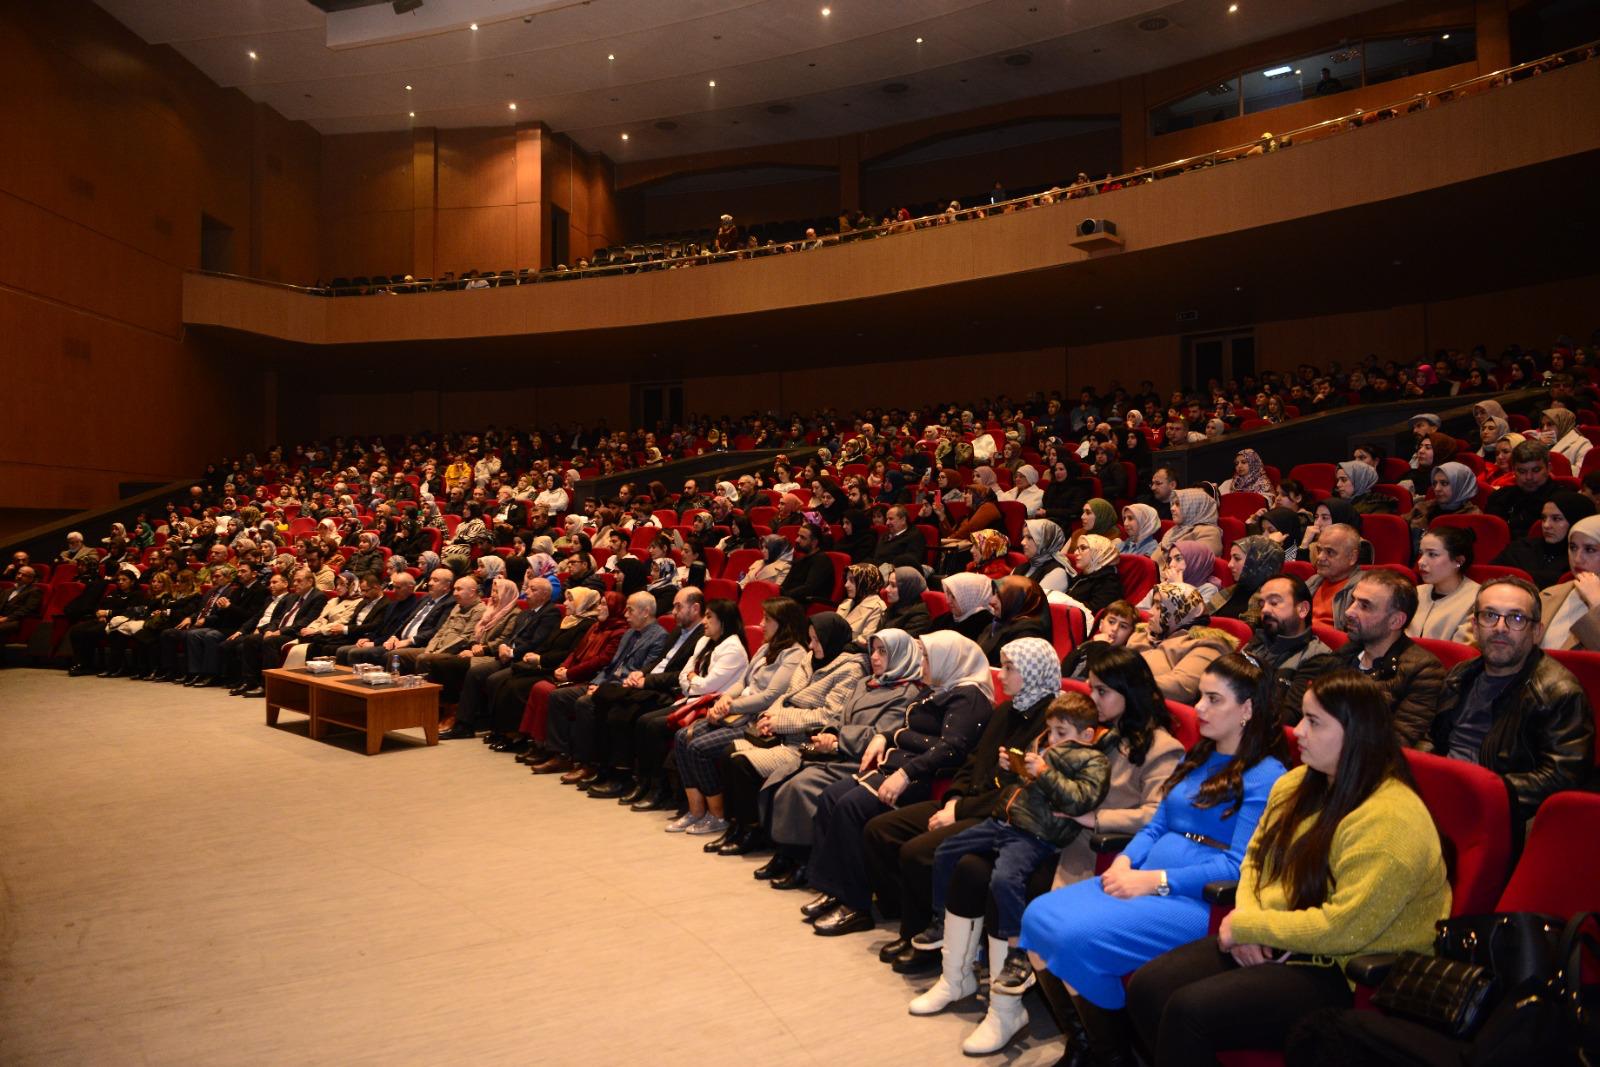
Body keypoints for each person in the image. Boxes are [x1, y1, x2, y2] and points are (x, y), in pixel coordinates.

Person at [1127, 670, 1450, 1067]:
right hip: (1275, 934)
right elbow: (1256, 861)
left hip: (1344, 970)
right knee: (1147, 987)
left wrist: (1251, 928)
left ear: (1356, 733)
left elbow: (1345, 928)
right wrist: (1247, 918)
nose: (1297, 732)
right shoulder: (1297, 783)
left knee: (1188, 1011)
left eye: (1314, 722)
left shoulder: (1392, 820)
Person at [1019, 653, 1288, 1065]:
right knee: (1038, 917)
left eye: (1214, 700)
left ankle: (1110, 1055)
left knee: (1074, 937)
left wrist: (1156, 880)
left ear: (1247, 709)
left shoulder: (1267, 775)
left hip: (1200, 902)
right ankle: (1092, 1045)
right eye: (1200, 696)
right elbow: (1156, 825)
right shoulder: (1198, 756)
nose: (1198, 708)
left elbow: (1238, 866)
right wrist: (1126, 862)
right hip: (1142, 878)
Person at [908, 691, 1111, 1056]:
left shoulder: (1091, 761)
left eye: (1061, 732)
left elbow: (1079, 800)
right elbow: (1021, 791)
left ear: (1086, 735)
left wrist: (1044, 773)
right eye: (1050, 731)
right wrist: (1012, 770)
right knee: (947, 849)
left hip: (1037, 837)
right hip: (1006, 821)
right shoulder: (1043, 749)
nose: (1052, 739)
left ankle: (1017, 951)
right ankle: (943, 931)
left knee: (1004, 879)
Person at [798, 631, 993, 936]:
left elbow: (950, 748)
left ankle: (856, 905)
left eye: (927, 657)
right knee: (831, 797)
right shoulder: (938, 687)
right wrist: (884, 736)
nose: (922, 663)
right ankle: (836, 887)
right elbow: (907, 727)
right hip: (900, 764)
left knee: (851, 807)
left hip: (925, 777)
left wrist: (905, 771)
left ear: (947, 660)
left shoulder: (969, 697)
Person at [1427, 576, 1594, 822]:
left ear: (1537, 631)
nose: (1500, 627)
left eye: (1516, 618)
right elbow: (1430, 738)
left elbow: (1562, 778)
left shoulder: (1559, 692)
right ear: (1475, 625)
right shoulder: (1459, 675)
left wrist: (1481, 791)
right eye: (1490, 616)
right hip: (1441, 793)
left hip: (1499, 810)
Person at [717, 612, 868, 856]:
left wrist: (781, 722)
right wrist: (769, 716)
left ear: (831, 639)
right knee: (727, 754)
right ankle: (738, 824)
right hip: (782, 732)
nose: (811, 645)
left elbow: (827, 716)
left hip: (805, 744)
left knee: (741, 764)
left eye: (816, 640)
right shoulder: (810, 658)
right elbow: (786, 695)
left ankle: (754, 831)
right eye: (809, 639)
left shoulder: (850, 671)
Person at [666, 597, 812, 838]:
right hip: (736, 711)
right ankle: (696, 810)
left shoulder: (794, 654)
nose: (761, 624)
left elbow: (769, 696)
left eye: (767, 619)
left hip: (754, 720)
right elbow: (743, 681)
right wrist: (724, 699)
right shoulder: (766, 647)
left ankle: (718, 815)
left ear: (783, 623)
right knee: (682, 737)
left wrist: (730, 706)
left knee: (698, 748)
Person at [1316, 570, 1446, 746]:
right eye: (1353, 601)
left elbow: (1396, 742)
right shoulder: (1343, 655)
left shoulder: (1424, 670)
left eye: (1365, 606)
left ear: (1395, 621)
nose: (1349, 612)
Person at [1241, 575, 1336, 718]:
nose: (1265, 610)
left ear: (1302, 609)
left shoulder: (1318, 658)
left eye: (1274, 603)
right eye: (1262, 604)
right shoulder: (1256, 643)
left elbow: (1287, 718)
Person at [1127, 582, 1239, 702]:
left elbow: (1180, 687)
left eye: (1159, 607)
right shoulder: (1143, 632)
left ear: (1180, 612)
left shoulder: (1207, 645)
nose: (1150, 611)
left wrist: (1123, 680)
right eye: (1153, 605)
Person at [1494, 490, 1595, 588]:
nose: (1546, 525)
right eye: (1543, 518)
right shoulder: (1520, 548)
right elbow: (1491, 576)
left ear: (1577, 521)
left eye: (1556, 519)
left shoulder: (1583, 560)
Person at [1539, 513, 1600, 650]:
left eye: (1590, 550)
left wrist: (1597, 604)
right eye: (1573, 547)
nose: (1577, 559)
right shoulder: (1549, 594)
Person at [1408, 525, 1479, 641]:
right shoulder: (1416, 593)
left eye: (1432, 554)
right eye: (1421, 553)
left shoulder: (1477, 599)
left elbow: (1462, 653)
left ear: (1458, 561)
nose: (1421, 562)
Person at [1485, 440, 1559, 535]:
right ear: (1514, 471)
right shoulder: (1499, 497)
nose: (1529, 477)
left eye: (1536, 470)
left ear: (1549, 468)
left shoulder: (1562, 501)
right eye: (1522, 471)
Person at [1207, 536, 1284, 626]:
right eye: (1230, 558)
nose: (1230, 564)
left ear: (1258, 562)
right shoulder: (1229, 591)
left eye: (1237, 558)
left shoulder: (1272, 603)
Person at [977, 576, 1049, 664]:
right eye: (994, 594)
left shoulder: (1028, 635)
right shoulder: (997, 623)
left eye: (1000, 596)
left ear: (1017, 600)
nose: (991, 601)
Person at [1305, 523, 1363, 629]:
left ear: (1352, 557)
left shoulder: (1363, 589)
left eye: (1330, 552)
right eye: (1319, 550)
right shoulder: (1313, 581)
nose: (1320, 557)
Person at [1062, 534, 1123, 614]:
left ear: (1098, 552)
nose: (1076, 553)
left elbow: (1095, 612)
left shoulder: (1108, 581)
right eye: (1077, 548)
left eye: (1083, 548)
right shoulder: (1085, 574)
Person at [1013, 519, 1070, 594]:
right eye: (1023, 537)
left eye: (1029, 538)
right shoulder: (1020, 568)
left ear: (1046, 541)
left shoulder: (1057, 573)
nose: (1022, 542)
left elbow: (1034, 603)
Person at [1159, 488, 1223, 555]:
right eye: (1173, 504)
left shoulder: (1209, 532)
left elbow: (1198, 562)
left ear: (1196, 507)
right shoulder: (1174, 530)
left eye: (1178, 504)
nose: (1172, 508)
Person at [938, 572, 997, 642]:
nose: (948, 601)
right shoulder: (947, 617)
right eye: (948, 594)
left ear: (971, 596)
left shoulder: (984, 624)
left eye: (954, 596)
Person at [835, 563, 886, 642]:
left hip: (853, 652)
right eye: (847, 580)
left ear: (866, 582)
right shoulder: (847, 602)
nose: (846, 585)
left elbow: (866, 642)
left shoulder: (877, 607)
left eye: (852, 580)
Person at [879, 566, 936, 635]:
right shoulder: (897, 605)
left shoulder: (920, 617)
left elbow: (902, 644)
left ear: (907, 587)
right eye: (888, 584)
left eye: (893, 585)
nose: (887, 589)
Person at [872, 505, 926, 570]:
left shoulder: (914, 536)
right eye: (887, 519)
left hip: (898, 571)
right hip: (878, 569)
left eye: (891, 519)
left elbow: (912, 560)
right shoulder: (884, 535)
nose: (887, 523)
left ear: (903, 520)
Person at [1333, 460, 1398, 515]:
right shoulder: (1336, 503)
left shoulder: (1377, 506)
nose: (1338, 484)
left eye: (1343, 480)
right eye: (1338, 480)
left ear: (1360, 480)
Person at [0, 566, 45, 643]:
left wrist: (6, 618)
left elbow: (27, 609)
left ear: (31, 579)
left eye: (24, 575)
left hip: (17, 620)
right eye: (19, 573)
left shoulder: (34, 591)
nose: (19, 576)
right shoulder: (8, 590)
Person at [1542, 406, 1593, 473]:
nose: (1544, 429)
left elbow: (1580, 473)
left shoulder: (1583, 443)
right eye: (1543, 425)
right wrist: (1541, 447)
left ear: (1563, 424)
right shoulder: (1543, 443)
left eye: (1550, 424)